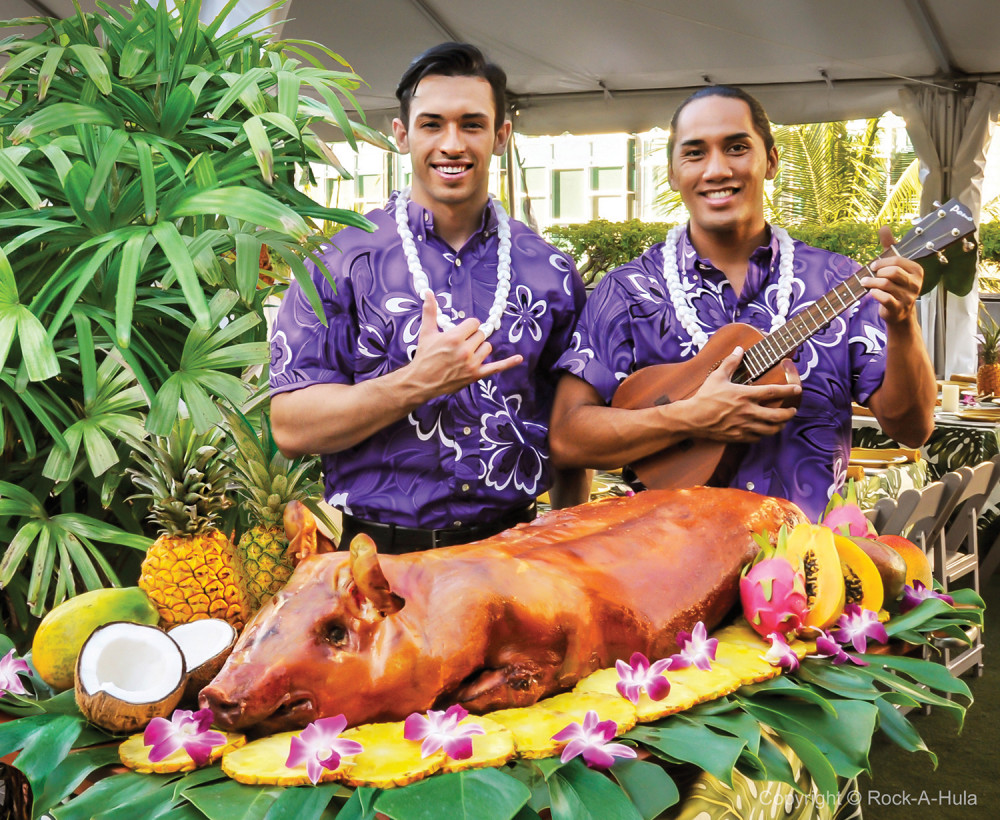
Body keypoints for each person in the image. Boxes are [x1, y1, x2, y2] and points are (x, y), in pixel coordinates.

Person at [549, 85, 935, 522]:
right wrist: (689, 418)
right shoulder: (628, 290)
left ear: (770, 161)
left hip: (804, 570)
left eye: (736, 148)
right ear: (674, 173)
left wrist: (903, 323)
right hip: (665, 572)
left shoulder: (840, 282)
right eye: (694, 153)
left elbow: (912, 429)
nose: (716, 170)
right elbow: (568, 438)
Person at [269, 42, 588, 553]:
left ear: (501, 136)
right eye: (432, 124)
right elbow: (290, 425)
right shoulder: (339, 258)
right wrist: (415, 383)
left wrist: (574, 551)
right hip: (383, 564)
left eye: (473, 124)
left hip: (518, 559)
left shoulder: (549, 269)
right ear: (402, 135)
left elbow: (571, 428)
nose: (452, 143)